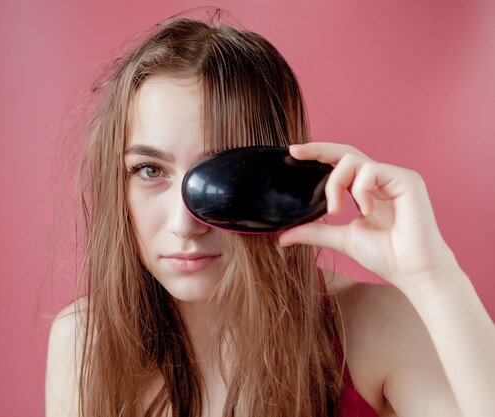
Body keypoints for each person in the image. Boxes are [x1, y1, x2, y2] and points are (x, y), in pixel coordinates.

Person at [45, 13, 495, 417]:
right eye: (149, 170)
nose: (184, 224)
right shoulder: (85, 344)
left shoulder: (373, 331)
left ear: (273, 179)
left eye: (218, 176)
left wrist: (433, 276)